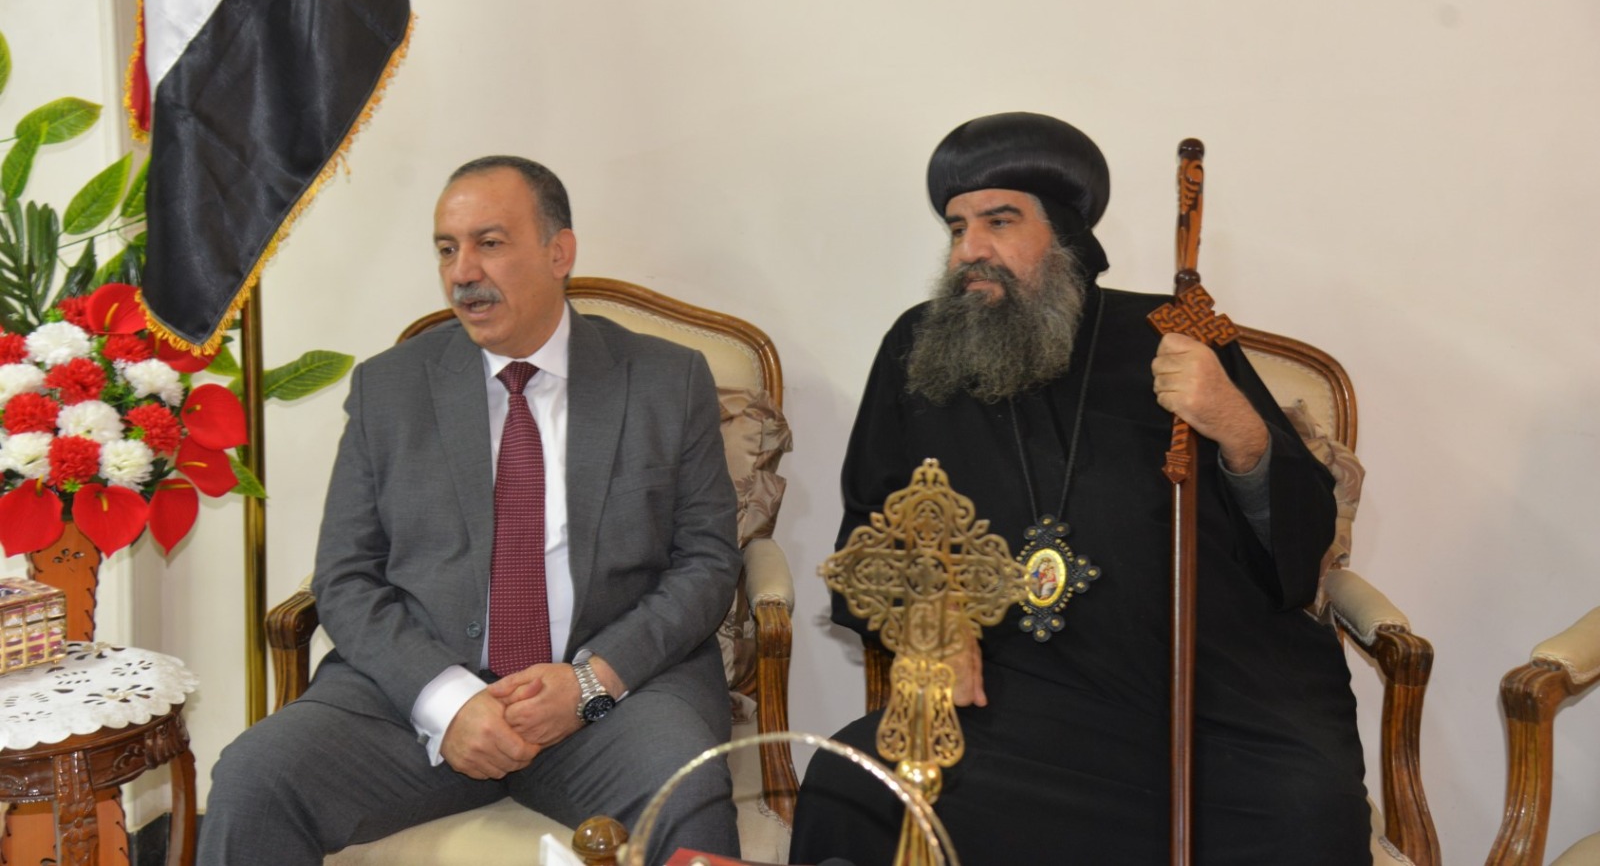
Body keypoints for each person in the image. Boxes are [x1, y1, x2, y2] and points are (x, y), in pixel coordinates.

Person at [789, 114, 1370, 865]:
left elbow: (1299, 540)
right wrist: (927, 615)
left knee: (1305, 807)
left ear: (1064, 232)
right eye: (958, 227)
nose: (969, 250)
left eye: (1000, 221)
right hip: (1018, 692)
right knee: (850, 785)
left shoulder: (1176, 332)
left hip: (1209, 691)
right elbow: (874, 524)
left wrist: (1236, 424)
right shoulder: (919, 347)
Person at [200, 157, 742, 866]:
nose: (462, 272)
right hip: (413, 703)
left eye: (489, 243)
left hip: (614, 701)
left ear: (559, 251)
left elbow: (707, 562)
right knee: (254, 777)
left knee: (688, 792)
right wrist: (448, 699)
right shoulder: (388, 389)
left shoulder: (666, 379)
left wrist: (590, 682)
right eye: (446, 249)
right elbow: (346, 576)